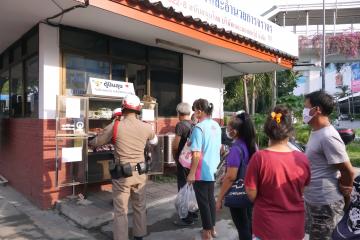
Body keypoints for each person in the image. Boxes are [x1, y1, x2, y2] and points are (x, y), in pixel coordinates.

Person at [89, 94, 157, 240]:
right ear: (138, 109)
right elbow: (155, 141)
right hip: (141, 173)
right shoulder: (146, 126)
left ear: (123, 106)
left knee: (121, 210)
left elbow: (97, 142)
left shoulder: (115, 126)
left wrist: (90, 140)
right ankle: (139, 235)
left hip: (122, 175)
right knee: (140, 206)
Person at [245, 105, 311, 240]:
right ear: (290, 132)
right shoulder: (302, 159)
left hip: (266, 227)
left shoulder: (259, 158)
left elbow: (251, 194)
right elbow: (302, 190)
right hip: (295, 226)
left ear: (267, 130)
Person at [303, 90, 354, 240]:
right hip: (314, 200)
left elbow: (348, 171)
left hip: (325, 204)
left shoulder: (328, 136)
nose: (304, 111)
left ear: (316, 110)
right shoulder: (317, 132)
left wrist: (346, 191)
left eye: (306, 107)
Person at [215, 112, 257, 240]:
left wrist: (219, 198)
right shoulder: (252, 145)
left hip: (238, 194)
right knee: (249, 223)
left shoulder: (236, 148)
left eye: (227, 128)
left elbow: (231, 177)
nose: (226, 130)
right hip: (251, 191)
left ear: (234, 131)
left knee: (242, 226)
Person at [187, 99, 222, 240]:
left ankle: (206, 232)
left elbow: (196, 153)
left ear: (200, 110)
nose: (194, 113)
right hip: (213, 168)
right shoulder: (216, 125)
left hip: (201, 171)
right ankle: (212, 229)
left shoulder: (199, 128)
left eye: (195, 110)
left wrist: (191, 173)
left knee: (203, 202)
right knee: (210, 200)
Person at [172, 102, 198, 226]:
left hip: (183, 162)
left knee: (183, 188)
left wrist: (175, 158)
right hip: (192, 162)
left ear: (179, 113)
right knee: (192, 188)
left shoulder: (180, 125)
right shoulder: (194, 124)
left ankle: (186, 217)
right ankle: (194, 213)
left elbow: (175, 145)